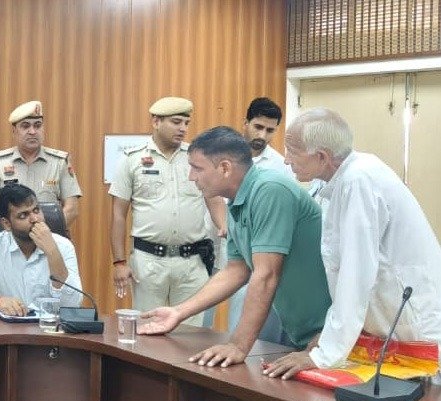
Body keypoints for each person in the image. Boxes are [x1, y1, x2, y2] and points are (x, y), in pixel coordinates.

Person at [265, 108, 441, 380]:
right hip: (388, 328)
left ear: (322, 156)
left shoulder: (359, 180)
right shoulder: (343, 180)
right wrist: (329, 338)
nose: (286, 160)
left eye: (293, 151)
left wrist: (323, 354)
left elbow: (355, 275)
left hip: (415, 328)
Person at [137, 126, 332, 368]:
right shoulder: (239, 200)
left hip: (327, 332)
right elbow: (236, 270)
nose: (191, 177)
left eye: (197, 168)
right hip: (299, 330)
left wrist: (238, 345)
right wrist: (179, 312)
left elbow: (266, 274)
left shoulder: (270, 189)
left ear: (225, 168)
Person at [108, 96, 225, 326]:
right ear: (156, 122)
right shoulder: (132, 160)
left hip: (192, 262)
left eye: (186, 123)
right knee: (148, 329)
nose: (183, 128)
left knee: (191, 334)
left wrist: (223, 227)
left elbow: (214, 199)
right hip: (149, 262)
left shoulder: (197, 158)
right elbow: (118, 214)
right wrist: (119, 262)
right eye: (176, 122)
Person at [0, 183, 83, 315]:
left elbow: (72, 304)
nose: (35, 219)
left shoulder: (63, 245)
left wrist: (52, 252)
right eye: (23, 215)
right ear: (7, 224)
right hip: (3, 326)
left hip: (47, 325)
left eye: (36, 210)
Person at [224, 97, 292, 338]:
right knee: (205, 325)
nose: (262, 135)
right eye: (258, 127)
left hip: (257, 259)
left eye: (270, 130)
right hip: (222, 253)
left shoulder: (280, 166)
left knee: (243, 324)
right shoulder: (224, 156)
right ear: (245, 123)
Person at [0, 100, 82, 226]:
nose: (32, 131)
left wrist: (44, 233)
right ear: (14, 131)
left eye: (37, 125)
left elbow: (71, 209)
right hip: (10, 236)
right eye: (25, 126)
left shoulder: (60, 162)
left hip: (50, 235)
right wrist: (16, 234)